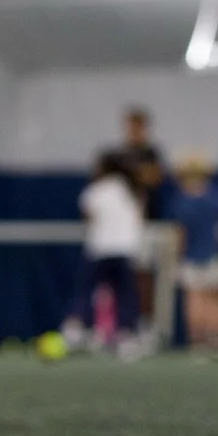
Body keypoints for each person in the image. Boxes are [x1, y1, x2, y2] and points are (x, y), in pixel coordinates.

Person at [64, 152, 144, 359]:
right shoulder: (130, 190)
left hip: (100, 248)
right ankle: (126, 337)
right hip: (124, 249)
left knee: (85, 289)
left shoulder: (95, 191)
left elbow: (87, 216)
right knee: (125, 294)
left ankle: (73, 330)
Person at [168, 153, 218, 358]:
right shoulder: (215, 197)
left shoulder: (182, 201)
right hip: (214, 255)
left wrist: (176, 258)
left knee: (195, 298)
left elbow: (179, 234)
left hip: (191, 257)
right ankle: (216, 339)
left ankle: (197, 341)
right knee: (214, 298)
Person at [110, 107, 166, 344]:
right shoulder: (118, 155)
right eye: (130, 125)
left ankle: (146, 326)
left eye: (138, 125)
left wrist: (137, 175)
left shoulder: (151, 152)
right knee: (122, 277)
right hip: (120, 228)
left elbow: (153, 178)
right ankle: (123, 325)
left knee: (144, 276)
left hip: (147, 226)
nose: (133, 130)